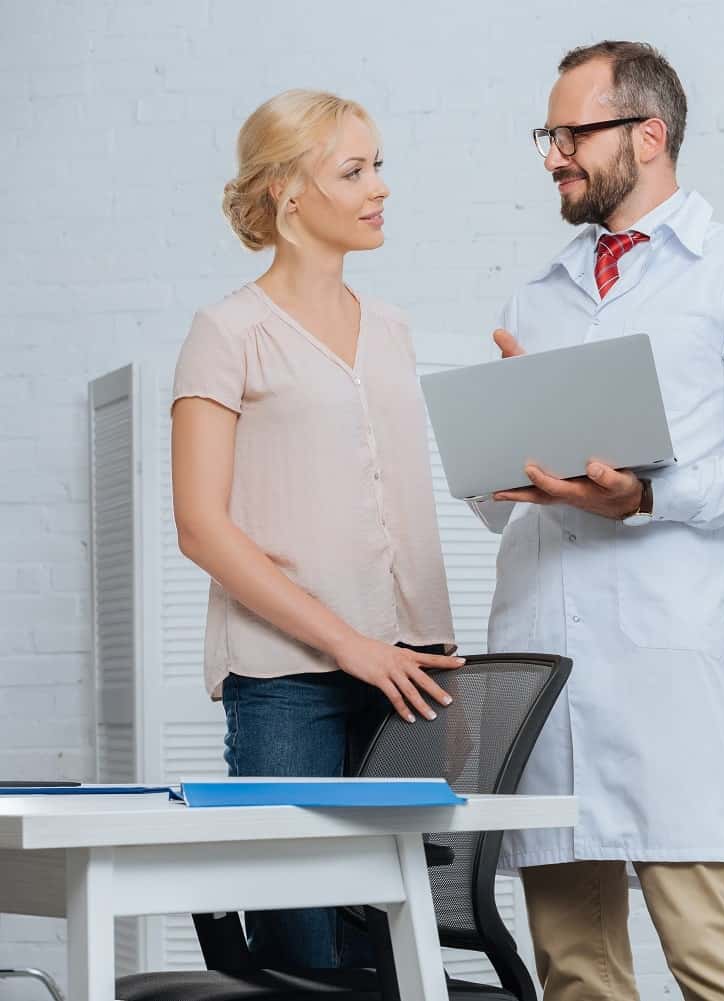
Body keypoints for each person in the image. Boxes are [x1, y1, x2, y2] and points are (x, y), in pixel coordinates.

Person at [487, 41, 724, 1001]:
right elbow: (493, 502)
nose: (554, 155)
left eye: (572, 134)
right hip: (541, 663)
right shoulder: (538, 294)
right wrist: (499, 451)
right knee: (575, 970)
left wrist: (645, 496)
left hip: (658, 663)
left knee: (714, 958)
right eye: (547, 136)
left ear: (649, 133)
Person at [170, 89, 463, 969]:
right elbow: (201, 527)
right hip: (287, 681)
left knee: (397, 950)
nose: (380, 188)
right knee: (302, 953)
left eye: (379, 167)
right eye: (354, 170)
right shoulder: (227, 333)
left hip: (412, 672)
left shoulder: (395, 330)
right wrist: (348, 644)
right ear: (288, 191)